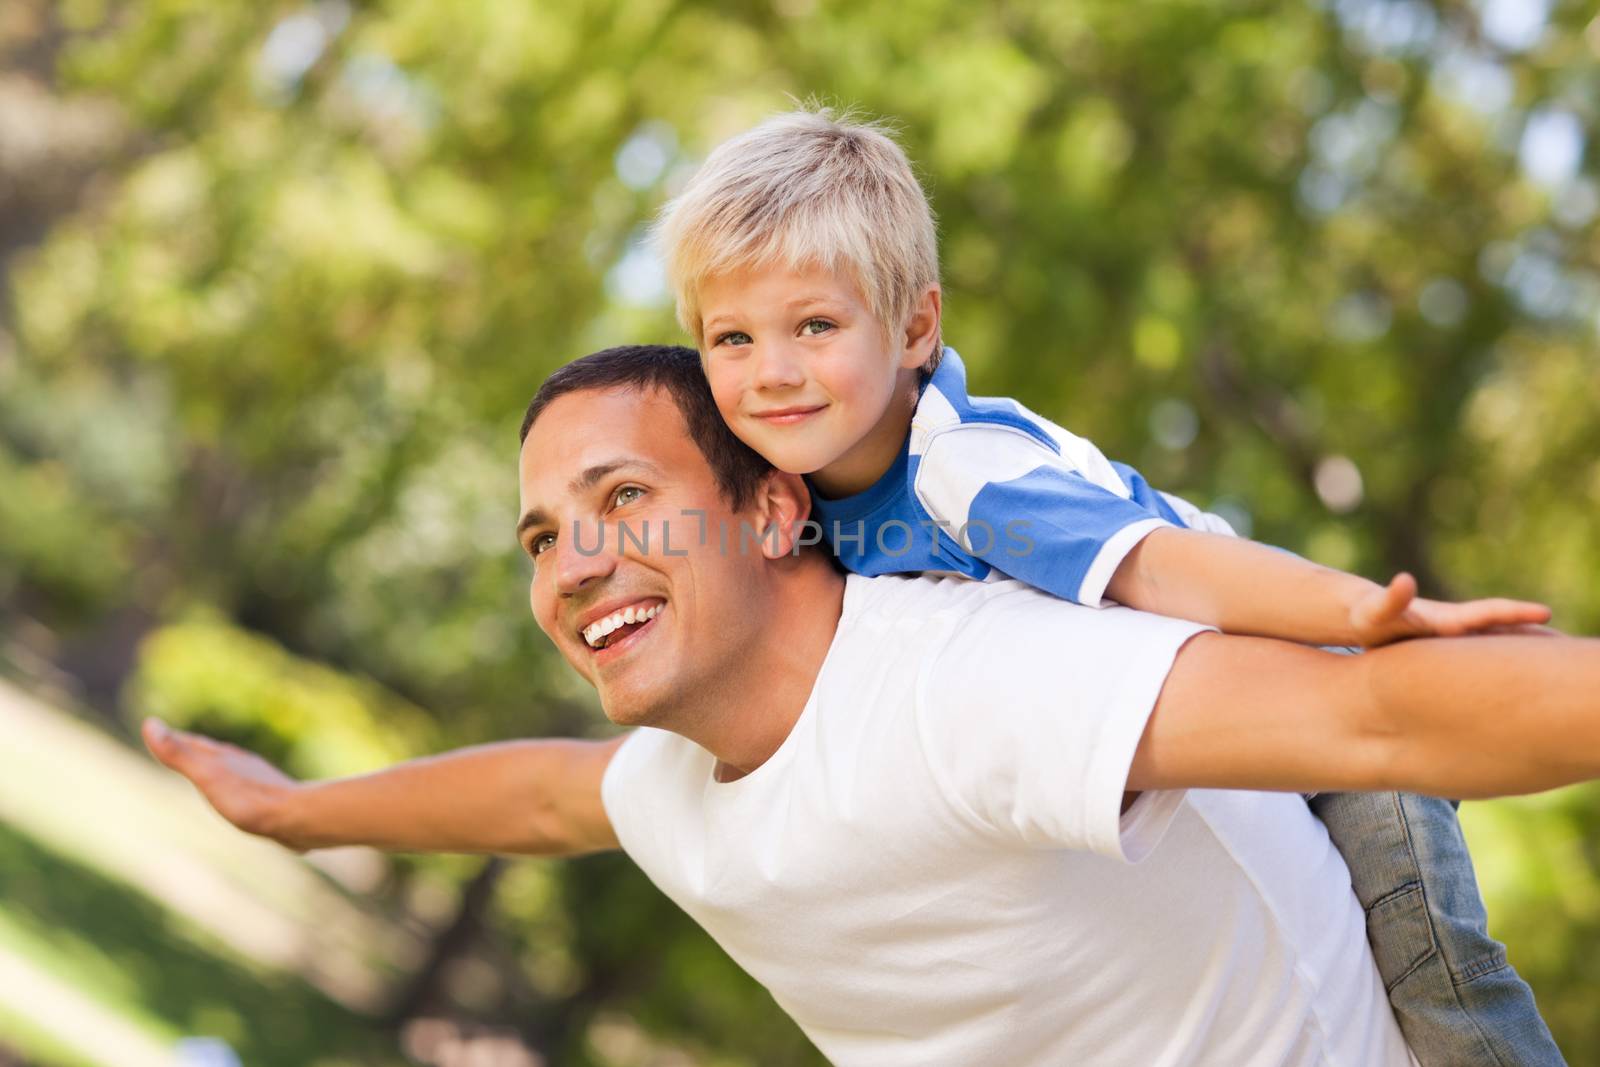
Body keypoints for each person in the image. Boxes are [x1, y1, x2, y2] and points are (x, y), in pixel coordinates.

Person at [144, 345, 1600, 1065]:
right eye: (539, 535)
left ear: (777, 510)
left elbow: (1377, 726)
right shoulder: (675, 779)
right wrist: (294, 811)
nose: (577, 563)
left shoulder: (964, 679)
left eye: (625, 498)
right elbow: (537, 793)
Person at [650, 108, 1563, 1064]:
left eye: (815, 324)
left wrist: (1364, 614)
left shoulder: (962, 474)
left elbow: (1166, 564)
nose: (773, 372)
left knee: (1444, 985)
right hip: (1219, 741)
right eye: (733, 339)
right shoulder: (797, 502)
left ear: (916, 326)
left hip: (1315, 675)